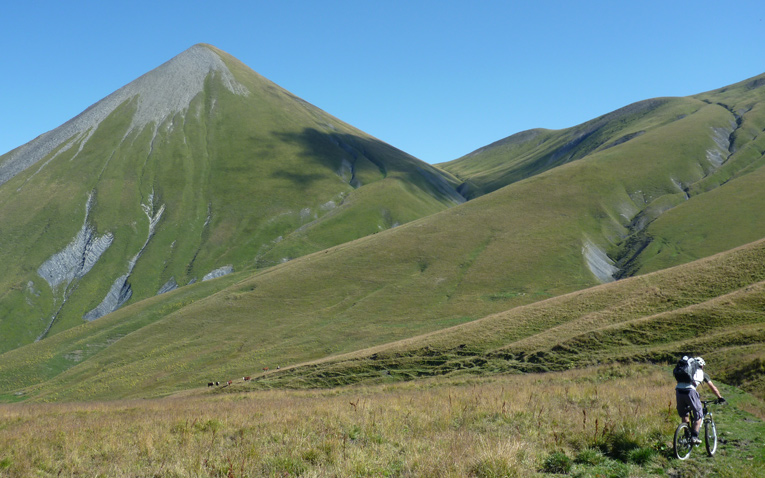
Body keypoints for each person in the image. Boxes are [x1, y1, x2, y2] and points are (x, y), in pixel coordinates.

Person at [675, 356, 725, 444]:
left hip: (678, 391)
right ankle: (694, 437)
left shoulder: (686, 371)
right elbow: (712, 387)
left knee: (685, 415)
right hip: (690, 392)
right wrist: (720, 397)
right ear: (701, 365)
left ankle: (686, 437)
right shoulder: (702, 373)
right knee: (699, 414)